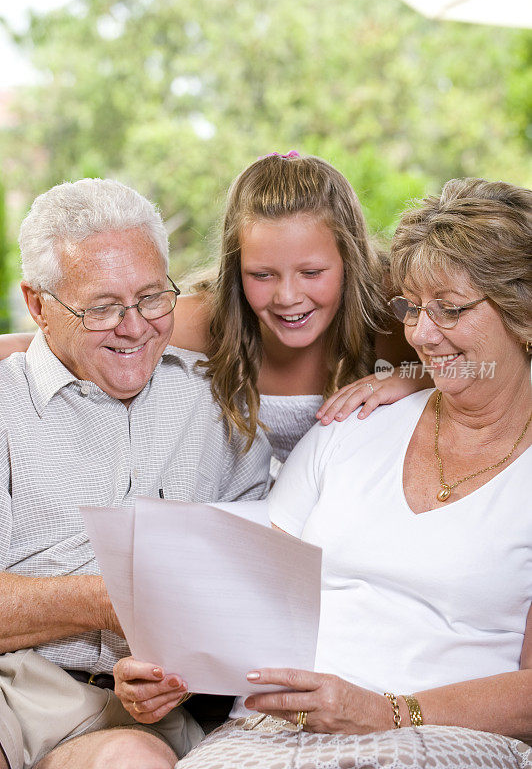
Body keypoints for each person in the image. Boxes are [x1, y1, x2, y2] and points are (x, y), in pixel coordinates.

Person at [114, 178, 532, 769]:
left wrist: (390, 710)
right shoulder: (351, 425)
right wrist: (169, 670)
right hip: (268, 731)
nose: (422, 334)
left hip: (437, 733)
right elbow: (253, 607)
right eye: (412, 309)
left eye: (453, 310)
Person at [0, 178, 271, 769]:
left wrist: (186, 671)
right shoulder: (5, 402)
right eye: (101, 307)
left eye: (153, 298)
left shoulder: (217, 405)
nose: (134, 326)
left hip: (133, 715)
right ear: (39, 305)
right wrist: (109, 597)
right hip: (9, 683)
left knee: (133, 760)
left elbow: (251, 590)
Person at [0, 153, 427, 465]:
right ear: (236, 268)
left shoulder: (393, 316)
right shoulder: (207, 319)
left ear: (350, 261)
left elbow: (484, 368)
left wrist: (416, 381)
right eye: (262, 275)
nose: (288, 297)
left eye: (312, 272)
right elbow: (45, 340)